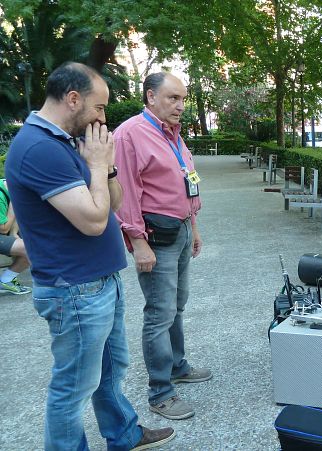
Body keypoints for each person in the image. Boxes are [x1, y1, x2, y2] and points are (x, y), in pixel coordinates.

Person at [5, 62, 175, 450]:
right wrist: (97, 165)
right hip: (74, 291)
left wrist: (108, 168)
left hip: (99, 282)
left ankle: (124, 433)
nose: (102, 118)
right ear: (73, 99)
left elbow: (112, 203)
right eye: (99, 108)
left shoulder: (65, 141)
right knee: (73, 388)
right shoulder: (39, 148)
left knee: (111, 372)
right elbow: (94, 222)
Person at [114, 72, 209, 421]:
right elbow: (125, 193)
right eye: (173, 98)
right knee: (159, 313)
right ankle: (160, 391)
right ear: (151, 97)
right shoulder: (129, 134)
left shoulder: (173, 135)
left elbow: (187, 183)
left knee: (176, 306)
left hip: (181, 230)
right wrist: (138, 243)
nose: (181, 106)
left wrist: (194, 226)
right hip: (156, 238)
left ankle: (176, 365)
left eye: (183, 99)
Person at [0, 179, 31, 295]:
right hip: (2, 229)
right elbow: (3, 228)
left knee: (37, 242)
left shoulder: (15, 188)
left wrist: (14, 233)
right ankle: (6, 280)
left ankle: (6, 281)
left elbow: (19, 215)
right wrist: (14, 206)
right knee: (30, 249)